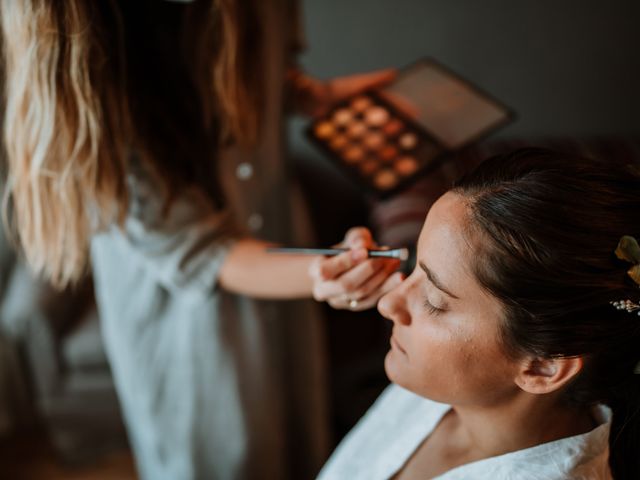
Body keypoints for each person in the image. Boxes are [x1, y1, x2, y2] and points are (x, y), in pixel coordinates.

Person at [0, 1, 402, 478]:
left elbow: (263, 70)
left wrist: (311, 95)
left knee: (297, 433)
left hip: (275, 238)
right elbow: (203, 252)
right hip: (186, 318)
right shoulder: (91, 57)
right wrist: (323, 272)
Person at [317, 148, 640, 479]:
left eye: (433, 300)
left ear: (542, 366)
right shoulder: (441, 382)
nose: (388, 304)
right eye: (414, 267)